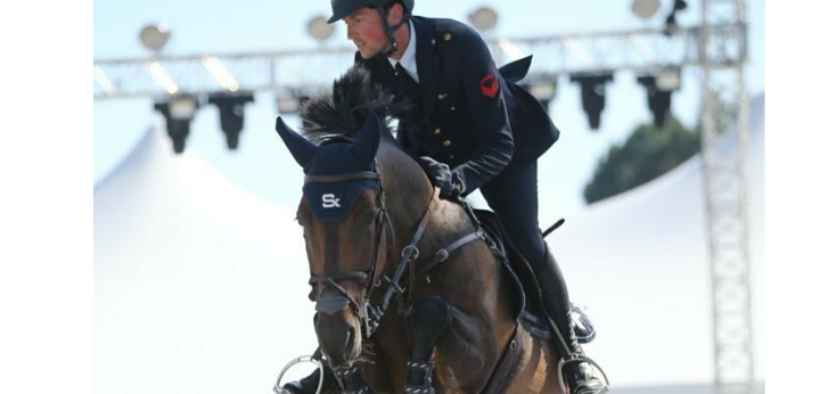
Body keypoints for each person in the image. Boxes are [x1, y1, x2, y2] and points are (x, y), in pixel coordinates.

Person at [281, 1, 609, 393]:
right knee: (380, 247)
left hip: (497, 150)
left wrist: (458, 179)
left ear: (394, 14)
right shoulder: (368, 64)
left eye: (356, 20)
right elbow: (374, 142)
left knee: (524, 236)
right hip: (430, 151)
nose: (349, 32)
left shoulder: (458, 42)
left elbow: (499, 143)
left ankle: (573, 358)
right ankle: (329, 366)